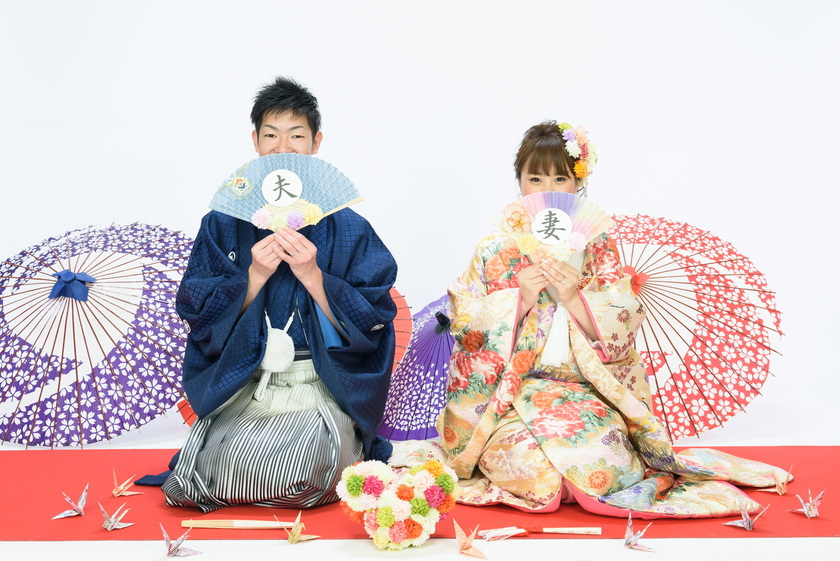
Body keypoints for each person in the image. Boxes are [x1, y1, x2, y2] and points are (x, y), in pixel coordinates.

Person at [436, 121, 787, 518]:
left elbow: (623, 324)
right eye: (534, 177)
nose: (547, 189)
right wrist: (519, 299)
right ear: (519, 182)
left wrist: (574, 297)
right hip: (512, 396)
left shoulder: (597, 244)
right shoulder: (494, 248)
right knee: (539, 480)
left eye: (560, 178)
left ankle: (588, 468)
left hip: (584, 393)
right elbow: (464, 322)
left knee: (604, 468)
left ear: (578, 184)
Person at [158, 77, 398, 513]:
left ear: (316, 143)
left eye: (296, 135)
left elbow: (374, 314)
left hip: (320, 384)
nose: (282, 146)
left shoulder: (347, 227)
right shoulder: (222, 222)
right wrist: (252, 276)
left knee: (309, 470)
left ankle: (338, 446)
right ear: (255, 140)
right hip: (248, 383)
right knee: (202, 477)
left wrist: (313, 276)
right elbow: (196, 308)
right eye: (271, 134)